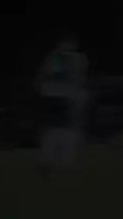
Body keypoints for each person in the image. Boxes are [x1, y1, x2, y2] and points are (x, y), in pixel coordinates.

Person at [35, 36, 89, 171]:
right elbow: (78, 77)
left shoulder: (52, 57)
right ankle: (64, 162)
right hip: (66, 97)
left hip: (49, 96)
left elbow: (41, 77)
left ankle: (46, 160)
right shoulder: (76, 58)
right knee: (68, 129)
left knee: (52, 128)